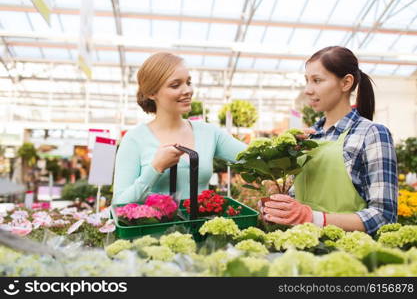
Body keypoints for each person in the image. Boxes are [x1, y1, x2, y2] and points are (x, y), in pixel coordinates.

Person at [262, 46, 398, 235]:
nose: (308, 90)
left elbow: (384, 216)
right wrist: (279, 207)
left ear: (346, 83)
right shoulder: (308, 137)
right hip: (300, 251)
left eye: (317, 80)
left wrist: (313, 218)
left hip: (349, 256)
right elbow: (299, 201)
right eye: (307, 81)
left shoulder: (372, 134)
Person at [112, 52, 246, 205]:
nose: (188, 90)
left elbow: (256, 158)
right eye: (175, 85)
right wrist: (155, 168)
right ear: (151, 93)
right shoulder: (134, 139)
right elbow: (118, 204)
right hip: (153, 228)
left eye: (188, 82)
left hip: (201, 227)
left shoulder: (209, 133)